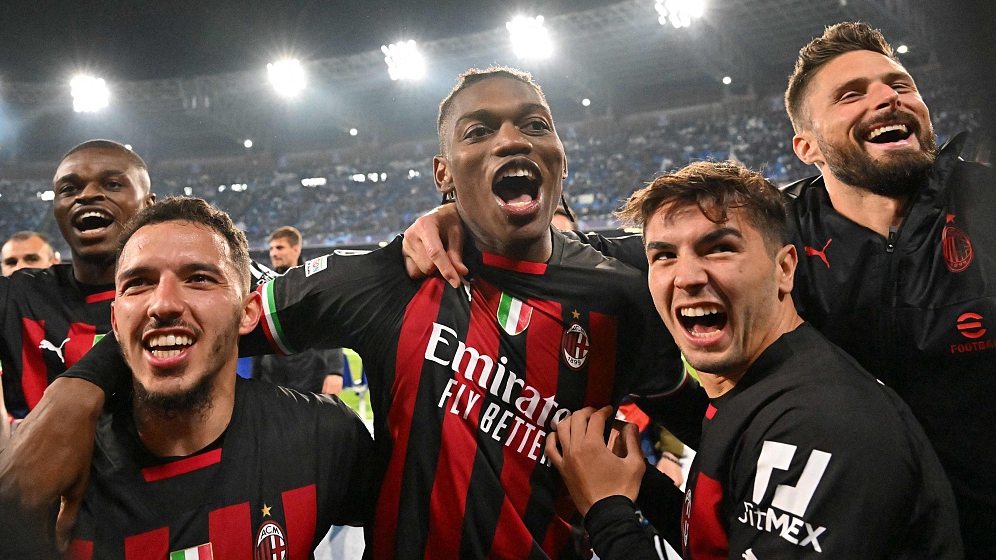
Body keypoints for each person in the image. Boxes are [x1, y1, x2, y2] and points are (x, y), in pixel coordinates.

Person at [1, 67, 705, 559]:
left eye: (534, 124)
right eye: (478, 131)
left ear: (559, 153)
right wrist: (79, 389)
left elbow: (709, 433)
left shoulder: (629, 289)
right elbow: (213, 315)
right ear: (442, 174)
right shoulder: (383, 276)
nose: (511, 141)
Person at [401, 22, 996, 558]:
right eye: (852, 93)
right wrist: (472, 221)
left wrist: (611, 512)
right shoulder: (778, 228)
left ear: (784, 270)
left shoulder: (984, 205)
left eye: (898, 83)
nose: (886, 97)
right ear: (807, 147)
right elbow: (612, 250)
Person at [546, 161, 962, 559]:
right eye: (664, 256)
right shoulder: (751, 387)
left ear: (784, 269)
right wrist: (641, 485)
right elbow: (724, 538)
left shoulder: (818, 426)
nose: (687, 276)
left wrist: (607, 512)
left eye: (720, 249)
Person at [59, 197, 370, 558]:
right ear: (115, 321)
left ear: (248, 312)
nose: (163, 304)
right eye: (139, 283)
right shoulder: (64, 465)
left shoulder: (325, 437)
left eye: (199, 279)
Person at [254, 226, 345, 395]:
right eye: (271, 248)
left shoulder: (313, 283)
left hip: (309, 376)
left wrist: (334, 371)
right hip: (272, 378)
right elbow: (261, 333)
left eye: (280, 247)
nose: (273, 253)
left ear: (296, 249)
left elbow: (329, 326)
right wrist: (255, 378)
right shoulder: (264, 288)